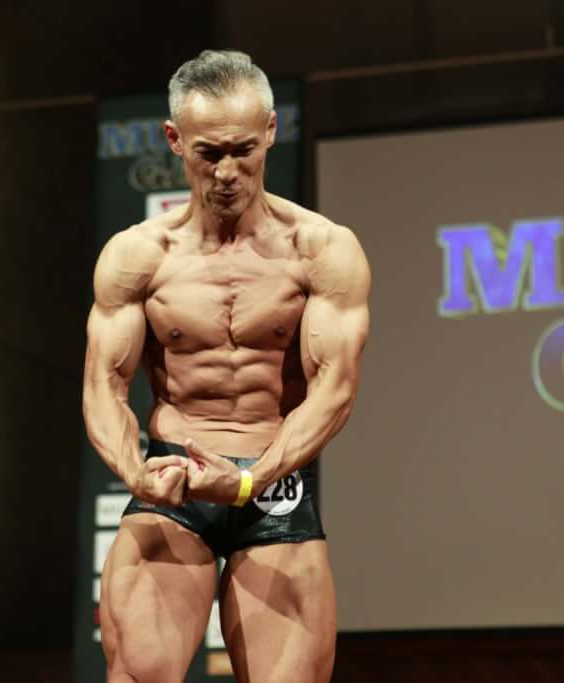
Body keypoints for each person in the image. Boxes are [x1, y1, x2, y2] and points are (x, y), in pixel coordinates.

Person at [82, 49, 370, 683]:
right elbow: (103, 384)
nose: (228, 172)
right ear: (174, 140)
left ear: (270, 130)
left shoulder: (320, 249)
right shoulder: (138, 256)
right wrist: (134, 473)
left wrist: (248, 482)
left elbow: (335, 388)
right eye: (209, 153)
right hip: (174, 484)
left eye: (243, 149)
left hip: (273, 487)